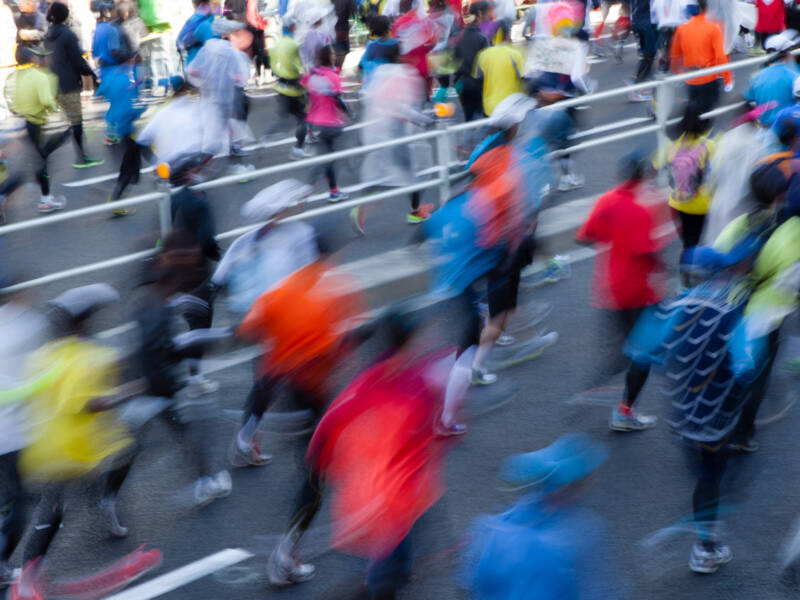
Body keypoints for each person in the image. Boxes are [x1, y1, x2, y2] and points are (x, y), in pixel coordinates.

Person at [462, 434, 620, 598]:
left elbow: (473, 581)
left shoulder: (493, 525)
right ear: (575, 484)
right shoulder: (582, 533)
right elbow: (596, 590)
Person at [576, 150, 667, 431]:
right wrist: (664, 271)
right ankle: (624, 411)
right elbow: (646, 253)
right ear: (642, 175)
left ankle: (596, 389)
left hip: (608, 288)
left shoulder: (606, 200)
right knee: (643, 353)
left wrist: (614, 241)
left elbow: (584, 236)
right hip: (636, 290)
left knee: (621, 351)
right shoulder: (641, 209)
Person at [7, 45, 68, 214]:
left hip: (23, 123)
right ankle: (45, 200)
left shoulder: (15, 76)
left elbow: (8, 97)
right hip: (36, 123)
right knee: (38, 165)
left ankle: (44, 195)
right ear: (33, 58)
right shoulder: (39, 77)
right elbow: (46, 100)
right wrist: (59, 111)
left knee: (39, 161)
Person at [43, 2, 102, 169]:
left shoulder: (48, 36)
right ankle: (78, 157)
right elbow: (77, 60)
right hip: (69, 84)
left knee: (70, 123)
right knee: (75, 124)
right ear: (66, 16)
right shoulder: (68, 35)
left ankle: (74, 154)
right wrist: (92, 74)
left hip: (55, 84)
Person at [660, 106, 715, 251]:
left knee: (687, 240)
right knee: (694, 241)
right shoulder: (709, 146)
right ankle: (689, 265)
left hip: (676, 202)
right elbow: (715, 175)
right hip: (701, 204)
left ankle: (687, 261)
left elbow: (660, 167)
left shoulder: (671, 146)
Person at [302, 45, 350, 202]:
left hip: (313, 122)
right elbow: (337, 99)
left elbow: (306, 91)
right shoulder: (332, 77)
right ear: (327, 56)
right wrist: (348, 113)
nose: (334, 55)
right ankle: (311, 188)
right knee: (331, 157)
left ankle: (332, 189)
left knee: (327, 155)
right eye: (333, 53)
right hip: (330, 123)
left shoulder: (311, 74)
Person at [669, 0, 733, 115]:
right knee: (707, 113)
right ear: (705, 9)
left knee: (695, 109)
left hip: (690, 78)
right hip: (708, 77)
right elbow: (720, 56)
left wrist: (677, 74)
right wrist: (727, 79)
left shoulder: (682, 29)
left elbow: (675, 56)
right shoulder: (713, 28)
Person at [269, 18, 310, 159]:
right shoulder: (294, 45)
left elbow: (273, 64)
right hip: (294, 88)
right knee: (303, 118)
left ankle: (267, 136)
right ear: (292, 26)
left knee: (287, 118)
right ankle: (297, 148)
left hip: (280, 86)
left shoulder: (278, 43)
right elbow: (300, 68)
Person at [743, 37, 799, 127]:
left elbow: (747, 98)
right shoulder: (794, 77)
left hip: (764, 127)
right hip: (786, 129)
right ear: (787, 54)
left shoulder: (756, 77)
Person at [473, 21, 524, 116]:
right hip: (510, 107)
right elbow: (523, 78)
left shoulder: (483, 54)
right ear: (507, 36)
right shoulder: (515, 54)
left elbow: (478, 80)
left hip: (489, 108)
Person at [453, 2, 490, 123]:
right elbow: (486, 65)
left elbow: (455, 62)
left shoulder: (458, 37)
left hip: (463, 84)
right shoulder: (482, 38)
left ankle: (468, 141)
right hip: (479, 84)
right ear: (479, 16)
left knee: (468, 119)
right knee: (482, 119)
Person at [627, 0, 657, 102]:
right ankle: (636, 85)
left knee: (648, 55)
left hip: (638, 22)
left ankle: (638, 84)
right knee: (649, 55)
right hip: (646, 23)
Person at [358, 15, 400, 82]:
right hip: (391, 82)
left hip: (374, 82)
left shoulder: (371, 45)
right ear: (389, 28)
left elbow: (361, 64)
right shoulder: (395, 44)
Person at [177, 0, 218, 65]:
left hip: (194, 65)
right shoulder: (208, 21)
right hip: (204, 66)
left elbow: (180, 43)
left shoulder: (194, 20)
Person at [651, 0, 687, 73]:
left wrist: (658, 21)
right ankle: (681, 63)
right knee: (681, 45)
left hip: (663, 24)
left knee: (662, 45)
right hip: (678, 25)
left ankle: (663, 63)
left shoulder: (656, 1)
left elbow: (653, 16)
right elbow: (685, 12)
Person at [333, 0, 358, 67]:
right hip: (342, 29)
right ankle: (336, 71)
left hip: (332, 28)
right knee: (341, 51)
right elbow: (355, 12)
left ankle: (335, 71)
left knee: (339, 51)